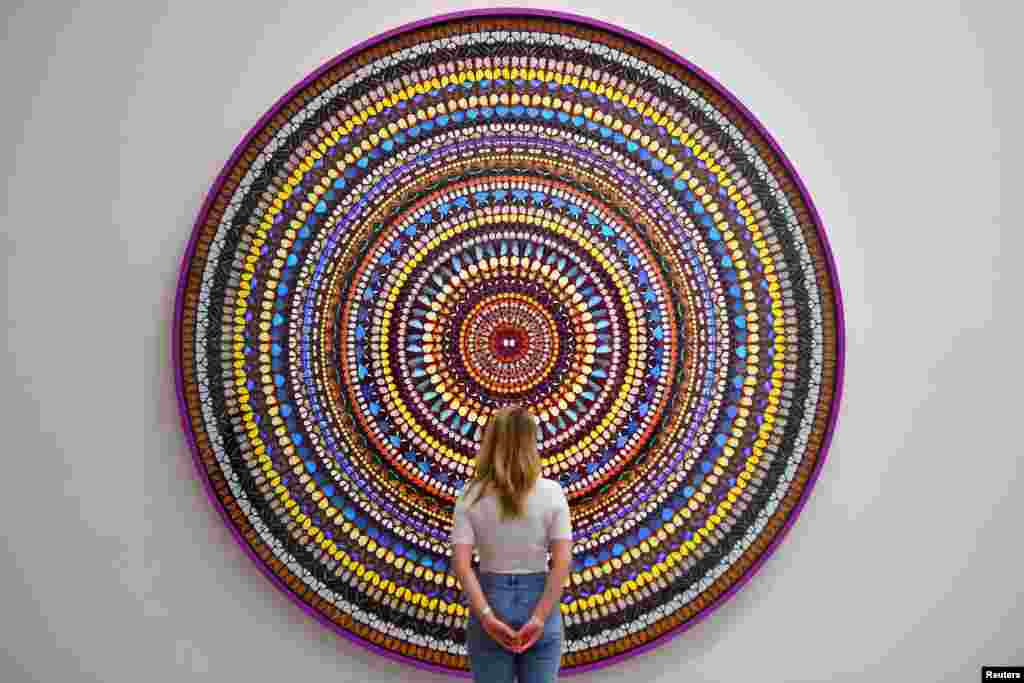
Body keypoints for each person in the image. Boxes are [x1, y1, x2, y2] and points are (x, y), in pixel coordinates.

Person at [450, 405, 573, 683]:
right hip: (540, 599)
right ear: (532, 441)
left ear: (491, 440)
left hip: (491, 598)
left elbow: (461, 563)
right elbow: (562, 561)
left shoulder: (470, 494)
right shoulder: (553, 493)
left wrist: (486, 617)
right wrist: (540, 618)